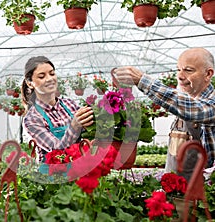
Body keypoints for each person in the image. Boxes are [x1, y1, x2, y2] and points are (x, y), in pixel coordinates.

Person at [113, 47, 215, 180]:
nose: (180, 76)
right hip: (177, 191)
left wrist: (142, 81)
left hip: (203, 194)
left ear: (208, 74)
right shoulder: (183, 104)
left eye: (188, 70)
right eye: (178, 69)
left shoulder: (208, 104)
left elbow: (191, 108)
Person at [21, 56, 94, 163]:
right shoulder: (32, 119)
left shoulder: (70, 105)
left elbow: (88, 132)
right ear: (30, 83)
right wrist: (74, 126)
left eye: (52, 73)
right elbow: (56, 149)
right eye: (41, 76)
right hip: (53, 174)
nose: (49, 79)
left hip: (79, 166)